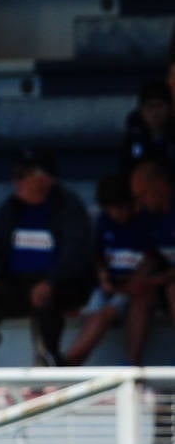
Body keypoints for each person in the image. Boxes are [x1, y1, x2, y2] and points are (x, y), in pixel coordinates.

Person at [0, 148, 94, 367]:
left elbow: (75, 255)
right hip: (17, 284)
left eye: (22, 175)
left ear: (42, 178)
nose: (16, 181)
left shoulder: (68, 207)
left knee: (44, 297)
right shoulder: (12, 208)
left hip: (58, 287)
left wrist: (51, 282)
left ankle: (45, 369)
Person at [61, 173, 147, 364]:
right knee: (93, 310)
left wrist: (131, 283)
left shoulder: (145, 223)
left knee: (105, 314)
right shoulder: (103, 222)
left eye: (124, 207)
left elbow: (152, 260)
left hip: (134, 290)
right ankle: (69, 366)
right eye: (113, 209)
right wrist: (103, 276)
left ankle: (65, 361)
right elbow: (97, 255)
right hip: (108, 286)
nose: (119, 214)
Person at [125, 157, 175, 362]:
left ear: (160, 186)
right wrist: (139, 278)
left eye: (142, 195)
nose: (140, 204)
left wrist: (154, 280)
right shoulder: (149, 216)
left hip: (169, 282)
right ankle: (132, 368)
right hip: (163, 280)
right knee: (141, 293)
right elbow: (151, 256)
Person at [120, 79, 175, 172]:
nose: (155, 112)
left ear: (169, 108)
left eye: (159, 105)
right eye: (150, 106)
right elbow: (126, 168)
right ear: (141, 110)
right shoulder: (134, 136)